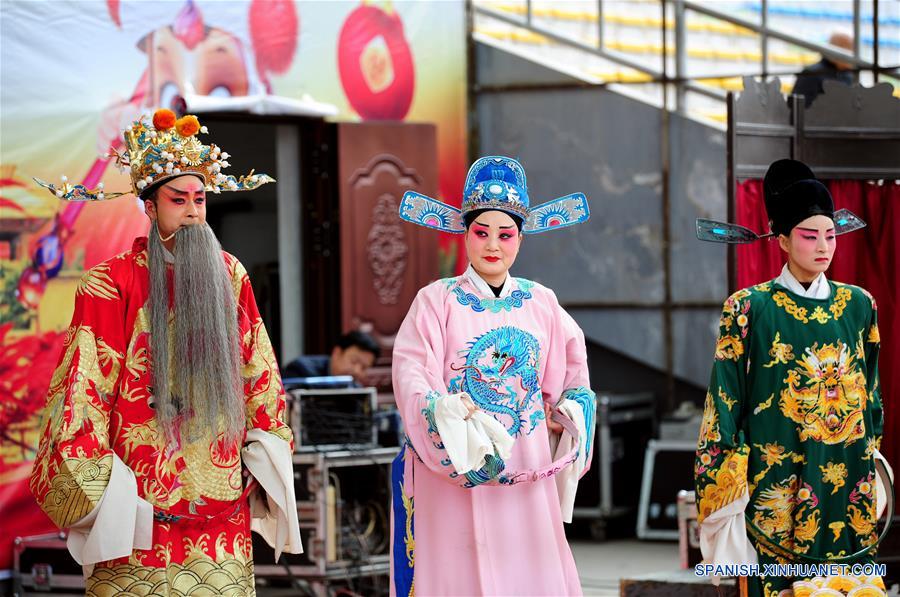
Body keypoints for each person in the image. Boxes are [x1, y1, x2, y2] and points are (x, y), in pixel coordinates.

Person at [30, 108, 302, 595]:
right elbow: (83, 388)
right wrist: (100, 489)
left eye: (200, 199)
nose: (194, 212)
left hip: (219, 499)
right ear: (150, 208)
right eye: (179, 201)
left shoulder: (230, 274)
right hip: (138, 503)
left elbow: (258, 371)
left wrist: (265, 450)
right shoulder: (110, 283)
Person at [390, 156, 597, 595]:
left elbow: (575, 376)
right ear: (465, 234)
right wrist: (441, 410)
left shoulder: (541, 301)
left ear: (520, 239)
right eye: (481, 233)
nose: (492, 246)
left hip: (527, 463)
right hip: (454, 467)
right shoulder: (436, 301)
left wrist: (569, 411)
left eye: (505, 235)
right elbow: (411, 375)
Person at [694, 159, 886, 596]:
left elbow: (870, 393)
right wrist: (724, 478)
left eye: (830, 235)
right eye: (808, 235)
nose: (823, 246)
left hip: (849, 477)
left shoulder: (860, 305)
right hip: (776, 480)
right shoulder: (749, 307)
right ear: (781, 239)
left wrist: (873, 457)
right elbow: (724, 400)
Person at [282, 330, 380, 386]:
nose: (357, 371)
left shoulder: (356, 388)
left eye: (364, 368)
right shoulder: (301, 369)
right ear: (337, 352)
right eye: (354, 361)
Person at [791, 32, 855, 107]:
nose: (852, 53)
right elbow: (800, 109)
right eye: (848, 48)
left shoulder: (849, 74)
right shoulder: (812, 74)